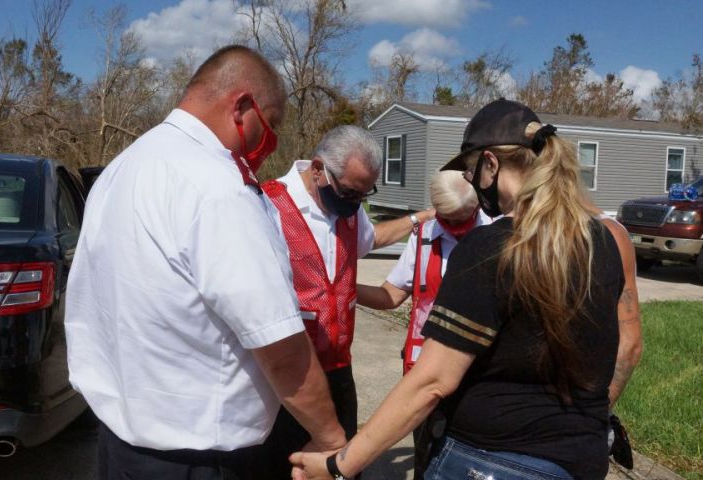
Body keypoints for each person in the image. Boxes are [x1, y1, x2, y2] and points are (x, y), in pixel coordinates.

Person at [290, 99, 642, 480]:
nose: (473, 183)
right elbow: (623, 345)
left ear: (491, 164)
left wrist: (340, 465)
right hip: (580, 458)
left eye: (472, 171)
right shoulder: (603, 243)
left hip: (491, 461)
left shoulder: (492, 247)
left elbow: (433, 382)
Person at [64, 45, 346, 480]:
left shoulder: (124, 167)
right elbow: (279, 345)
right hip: (197, 460)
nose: (266, 144)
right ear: (243, 107)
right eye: (269, 127)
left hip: (120, 446)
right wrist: (331, 440)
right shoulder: (218, 188)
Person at [260, 125, 434, 479]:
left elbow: (372, 238)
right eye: (351, 193)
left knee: (340, 468)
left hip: (339, 371)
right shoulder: (268, 207)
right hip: (288, 377)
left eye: (364, 194)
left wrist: (420, 219)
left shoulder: (349, 211)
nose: (356, 204)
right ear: (319, 169)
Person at [356, 169, 491, 479]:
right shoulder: (425, 237)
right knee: (426, 455)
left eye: (462, 219)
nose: (455, 228)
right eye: (448, 220)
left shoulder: (495, 236)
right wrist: (346, 288)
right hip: (424, 367)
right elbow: (391, 295)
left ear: (476, 208)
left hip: (478, 369)